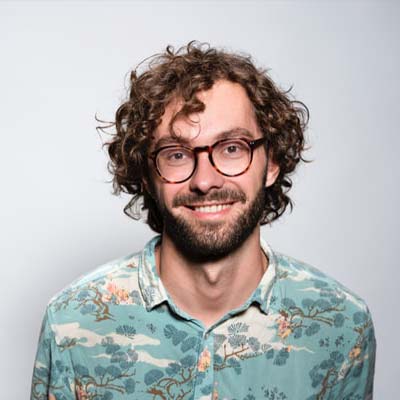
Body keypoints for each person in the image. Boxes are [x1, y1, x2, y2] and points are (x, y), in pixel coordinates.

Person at [31, 41, 376, 400]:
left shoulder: (341, 325)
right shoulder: (72, 321)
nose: (205, 181)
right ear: (147, 175)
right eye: (176, 154)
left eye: (232, 148)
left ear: (272, 162)